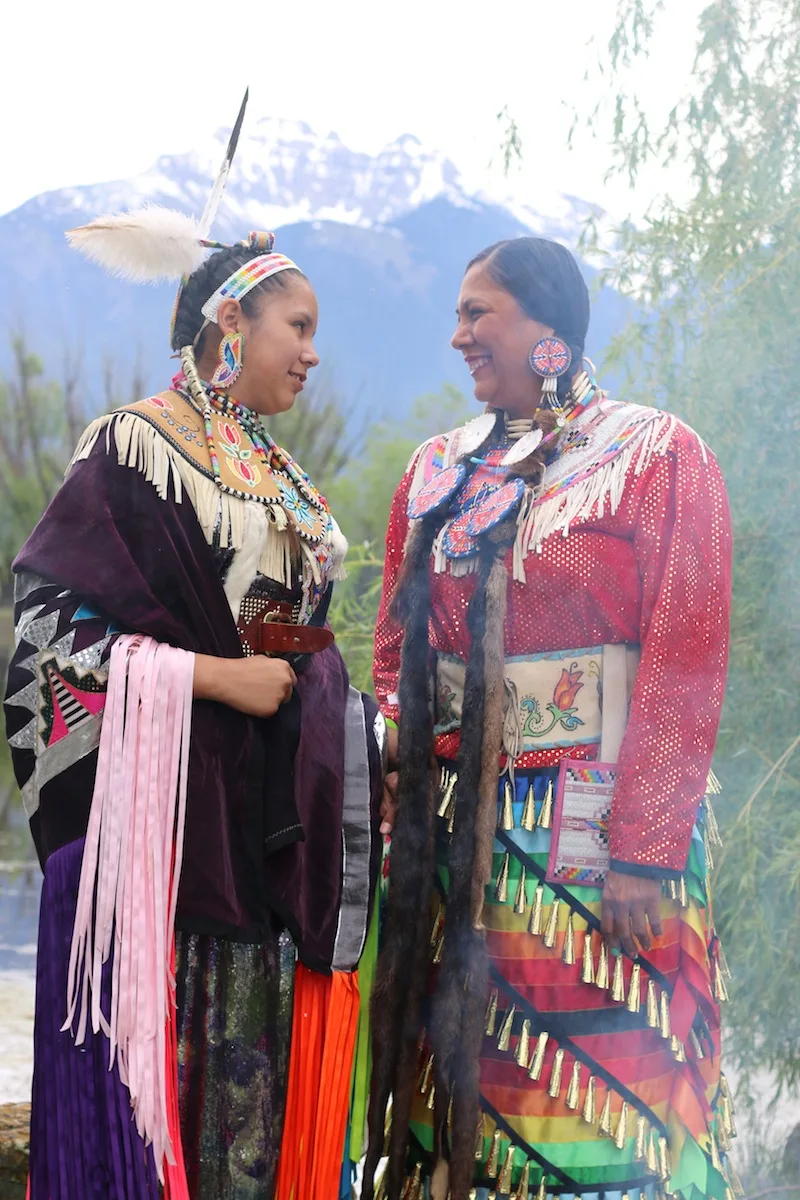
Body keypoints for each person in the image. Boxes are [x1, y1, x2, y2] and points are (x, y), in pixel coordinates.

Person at [3, 209, 383, 1199]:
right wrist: (209, 678)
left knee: (243, 1138)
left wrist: (356, 734)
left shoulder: (285, 482)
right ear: (229, 329)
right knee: (159, 1114)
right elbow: (44, 627)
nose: (311, 352)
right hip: (161, 850)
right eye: (295, 327)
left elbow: (291, 643)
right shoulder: (134, 446)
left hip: (260, 840)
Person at [364, 237, 736, 1200]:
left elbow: (686, 654)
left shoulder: (655, 455)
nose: (456, 337)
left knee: (597, 1105)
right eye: (457, 315)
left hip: (596, 836)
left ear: (546, 330)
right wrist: (399, 769)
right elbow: (397, 642)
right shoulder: (439, 470)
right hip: (459, 841)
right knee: (458, 1085)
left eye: (476, 314)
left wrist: (644, 853)